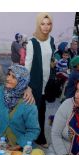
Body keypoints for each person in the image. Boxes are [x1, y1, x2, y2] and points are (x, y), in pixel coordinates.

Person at [0, 64, 40, 150]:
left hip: (17, 148)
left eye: (14, 77)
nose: (8, 78)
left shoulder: (28, 101)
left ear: (22, 81)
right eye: (8, 74)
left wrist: (19, 146)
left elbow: (33, 130)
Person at [25, 12, 56, 147]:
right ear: (38, 25)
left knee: (42, 110)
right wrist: (27, 87)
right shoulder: (32, 43)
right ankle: (26, 138)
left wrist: (52, 64)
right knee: (32, 111)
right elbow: (27, 66)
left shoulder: (51, 40)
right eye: (42, 24)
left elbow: (50, 58)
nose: (46, 27)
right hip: (34, 84)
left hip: (47, 82)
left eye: (48, 24)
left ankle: (40, 137)